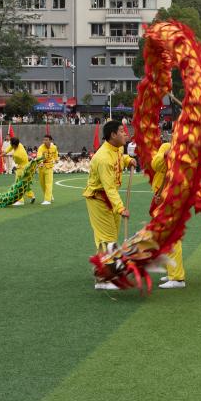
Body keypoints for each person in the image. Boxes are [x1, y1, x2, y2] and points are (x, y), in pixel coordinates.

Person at [81, 120, 134, 290]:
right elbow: (109, 187)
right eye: (122, 131)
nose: (125, 134)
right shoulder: (103, 158)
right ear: (113, 135)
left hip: (110, 198)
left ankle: (103, 271)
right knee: (107, 238)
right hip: (99, 198)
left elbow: (119, 158)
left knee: (111, 236)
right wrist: (121, 208)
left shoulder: (118, 148)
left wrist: (127, 160)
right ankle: (103, 278)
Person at [153, 138, 186, 290]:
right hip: (165, 195)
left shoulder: (184, 150)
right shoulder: (167, 146)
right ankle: (172, 271)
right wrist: (166, 154)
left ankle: (177, 278)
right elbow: (157, 166)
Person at [3, 136, 35, 206]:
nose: (10, 145)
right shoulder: (19, 144)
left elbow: (16, 161)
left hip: (22, 169)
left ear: (14, 145)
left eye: (11, 144)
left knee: (18, 184)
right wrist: (5, 152)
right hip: (26, 167)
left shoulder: (17, 154)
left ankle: (20, 201)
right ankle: (32, 196)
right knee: (25, 183)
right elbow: (11, 147)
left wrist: (7, 155)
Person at [37, 135, 59, 205]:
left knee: (48, 183)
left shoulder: (54, 147)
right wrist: (40, 162)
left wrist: (56, 159)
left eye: (46, 140)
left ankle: (47, 200)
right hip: (41, 167)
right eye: (44, 140)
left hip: (49, 167)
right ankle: (50, 196)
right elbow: (39, 156)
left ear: (50, 141)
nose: (44, 141)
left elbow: (56, 154)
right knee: (42, 184)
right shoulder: (41, 147)